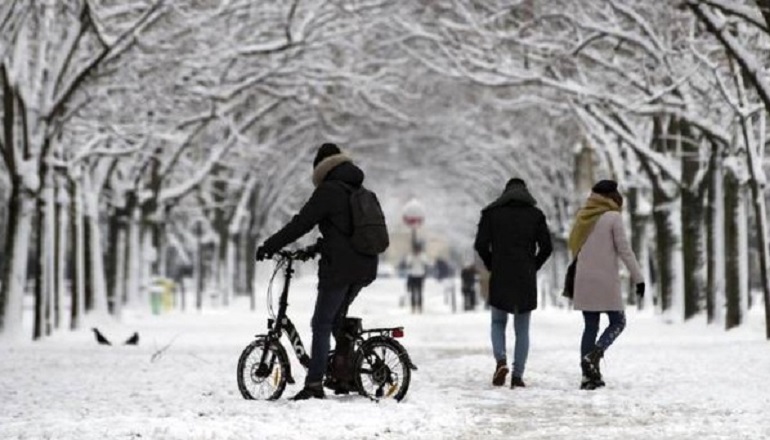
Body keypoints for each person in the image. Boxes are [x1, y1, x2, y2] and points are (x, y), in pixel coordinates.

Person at [256, 143, 377, 400]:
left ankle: (313, 384)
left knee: (320, 323)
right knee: (335, 320)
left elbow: (301, 223)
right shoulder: (358, 189)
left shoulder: (329, 191)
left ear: (321, 168)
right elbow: (344, 231)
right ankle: (346, 374)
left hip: (340, 269)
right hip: (365, 266)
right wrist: (315, 248)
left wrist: (270, 246)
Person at [474, 178, 552, 388]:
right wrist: (533, 265)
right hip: (525, 275)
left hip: (501, 273)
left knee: (498, 322)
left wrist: (492, 263)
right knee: (522, 328)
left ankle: (501, 361)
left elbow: (480, 244)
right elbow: (547, 247)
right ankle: (517, 376)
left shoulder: (491, 214)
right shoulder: (536, 215)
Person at [568, 179, 644, 390]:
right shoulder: (613, 217)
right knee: (618, 322)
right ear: (611, 196)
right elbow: (624, 250)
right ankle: (594, 355)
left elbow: (572, 244)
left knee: (590, 326)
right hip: (606, 279)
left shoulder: (583, 216)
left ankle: (588, 376)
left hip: (584, 279)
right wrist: (638, 278)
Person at [404, 243, 430, 313]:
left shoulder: (422, 256)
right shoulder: (411, 256)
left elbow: (425, 263)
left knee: (420, 292)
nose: (416, 251)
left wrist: (419, 257)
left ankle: (420, 306)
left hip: (420, 275)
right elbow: (408, 263)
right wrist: (413, 257)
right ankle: (413, 307)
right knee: (413, 292)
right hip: (412, 275)